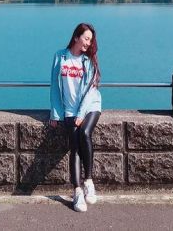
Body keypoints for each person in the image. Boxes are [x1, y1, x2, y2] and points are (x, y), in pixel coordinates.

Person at [49, 22, 102, 212]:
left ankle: (89, 181)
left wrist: (81, 114)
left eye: (90, 40)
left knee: (85, 133)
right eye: (86, 39)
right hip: (69, 110)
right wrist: (56, 114)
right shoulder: (60, 56)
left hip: (91, 106)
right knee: (75, 147)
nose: (88, 43)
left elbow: (90, 90)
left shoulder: (89, 60)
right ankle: (77, 192)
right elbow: (55, 87)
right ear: (76, 37)